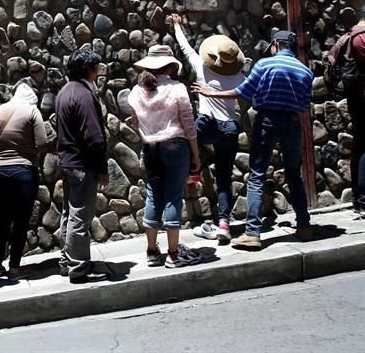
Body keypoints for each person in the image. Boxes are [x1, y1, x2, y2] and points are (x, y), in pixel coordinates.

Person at [194, 30, 315, 249]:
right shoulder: (305, 72)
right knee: (294, 175)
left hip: (267, 121)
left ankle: (252, 233)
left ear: (276, 44)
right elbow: (305, 104)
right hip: (293, 123)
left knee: (257, 176)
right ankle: (304, 226)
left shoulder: (264, 65)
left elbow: (243, 92)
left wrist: (211, 93)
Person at [169, 14, 245, 243]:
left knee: (186, 141)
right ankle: (224, 225)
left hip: (207, 122)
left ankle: (193, 171)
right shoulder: (240, 76)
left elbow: (185, 48)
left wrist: (177, 26)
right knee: (224, 177)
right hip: (230, 127)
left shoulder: (202, 68)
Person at [127, 45, 203, 269]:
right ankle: (173, 254)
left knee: (153, 195)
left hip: (150, 148)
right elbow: (189, 124)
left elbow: (135, 123)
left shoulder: (136, 92)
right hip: (175, 146)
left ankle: (151, 251)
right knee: (173, 197)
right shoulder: (177, 88)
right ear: (170, 66)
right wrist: (196, 155)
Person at [0, 82, 50, 279]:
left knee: (3, 218)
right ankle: (14, 267)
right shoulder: (32, 111)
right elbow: (42, 143)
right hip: (24, 172)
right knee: (21, 220)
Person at [55, 50, 109, 283]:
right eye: (96, 67)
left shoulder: (64, 92)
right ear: (88, 69)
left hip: (68, 162)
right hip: (82, 164)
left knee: (69, 214)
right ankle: (78, 267)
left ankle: (67, 261)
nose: (98, 72)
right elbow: (94, 138)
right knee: (80, 217)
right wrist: (102, 168)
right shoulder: (84, 95)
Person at [338, 6, 365, 218]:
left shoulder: (349, 35)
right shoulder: (362, 37)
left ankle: (359, 200)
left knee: (360, 147)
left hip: (356, 98)